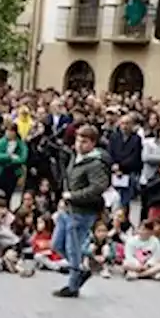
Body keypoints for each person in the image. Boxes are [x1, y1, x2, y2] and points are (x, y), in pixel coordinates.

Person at [53, 125, 110, 298]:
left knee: (72, 248)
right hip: (67, 209)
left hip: (82, 211)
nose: (80, 144)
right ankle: (81, 267)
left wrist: (73, 196)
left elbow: (98, 187)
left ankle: (72, 285)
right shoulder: (75, 157)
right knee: (56, 244)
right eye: (78, 140)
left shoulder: (95, 163)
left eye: (84, 141)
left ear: (93, 143)